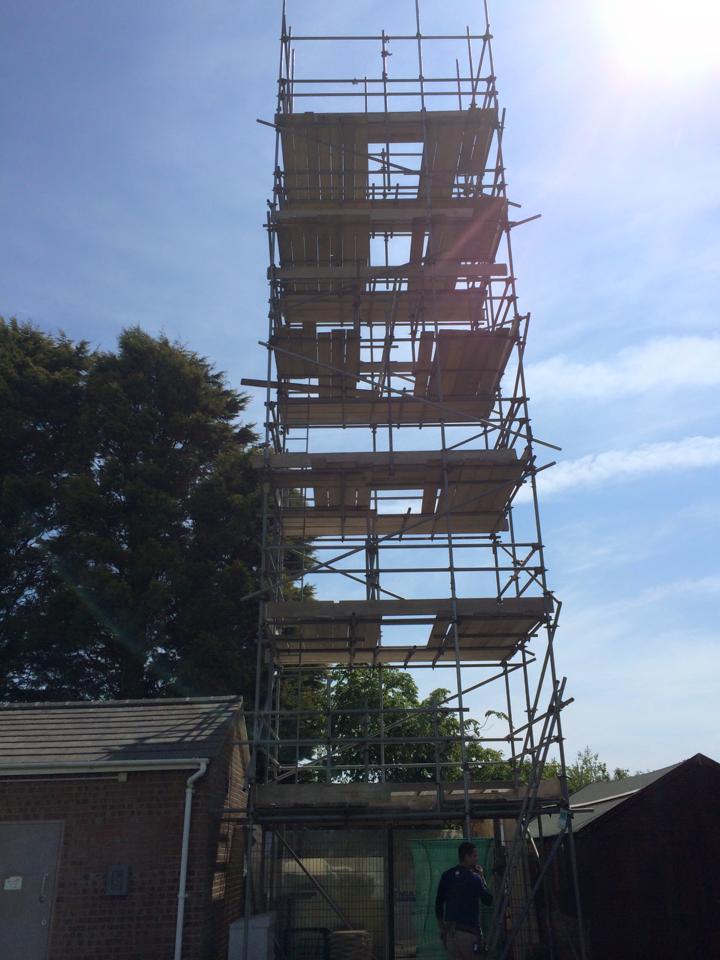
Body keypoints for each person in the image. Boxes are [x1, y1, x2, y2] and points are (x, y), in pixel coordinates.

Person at [435, 841, 493, 959]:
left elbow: (439, 902)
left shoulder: (447, 875)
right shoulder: (475, 878)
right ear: (466, 857)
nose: (476, 859)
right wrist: (482, 876)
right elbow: (488, 900)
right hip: (469, 934)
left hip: (451, 935)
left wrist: (442, 927)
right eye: (474, 856)